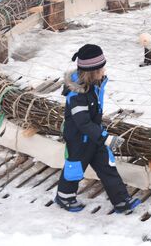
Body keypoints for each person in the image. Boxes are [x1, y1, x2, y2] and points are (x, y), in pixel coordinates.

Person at [54, 44, 140, 213]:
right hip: (79, 139)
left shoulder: (95, 85)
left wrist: (100, 135)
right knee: (75, 170)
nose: (104, 70)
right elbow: (83, 123)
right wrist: (105, 138)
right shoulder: (76, 95)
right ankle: (64, 196)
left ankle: (121, 200)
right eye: (101, 68)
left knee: (107, 167)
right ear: (92, 72)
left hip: (95, 136)